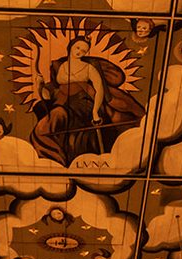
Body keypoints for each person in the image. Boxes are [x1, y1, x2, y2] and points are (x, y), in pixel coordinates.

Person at [30, 35, 144, 163]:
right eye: (77, 47)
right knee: (48, 121)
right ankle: (54, 158)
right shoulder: (60, 66)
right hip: (62, 102)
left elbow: (99, 90)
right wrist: (40, 86)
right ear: (71, 47)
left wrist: (95, 111)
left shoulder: (89, 67)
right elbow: (50, 94)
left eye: (83, 51)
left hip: (82, 103)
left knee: (58, 115)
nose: (79, 52)